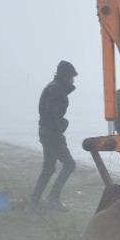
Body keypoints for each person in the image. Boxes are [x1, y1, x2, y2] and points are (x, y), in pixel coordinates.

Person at [30, 60, 78, 211]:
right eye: (72, 77)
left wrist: (60, 123)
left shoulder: (54, 88)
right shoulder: (55, 89)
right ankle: (53, 198)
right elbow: (51, 113)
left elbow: (49, 112)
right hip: (52, 133)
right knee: (69, 164)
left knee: (49, 168)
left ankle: (33, 202)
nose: (73, 80)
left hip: (47, 131)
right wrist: (62, 124)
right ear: (65, 76)